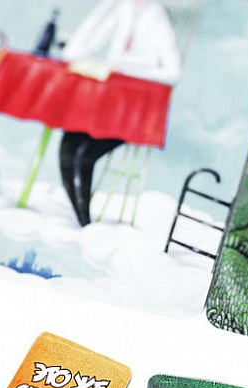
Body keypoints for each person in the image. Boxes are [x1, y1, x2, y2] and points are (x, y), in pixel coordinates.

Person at [59, 0, 181, 226]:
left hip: (134, 108)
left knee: (84, 154)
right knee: (69, 143)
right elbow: (88, 41)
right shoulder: (123, 9)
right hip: (110, 97)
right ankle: (81, 216)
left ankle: (83, 220)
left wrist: (134, 71)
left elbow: (173, 72)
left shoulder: (156, 19)